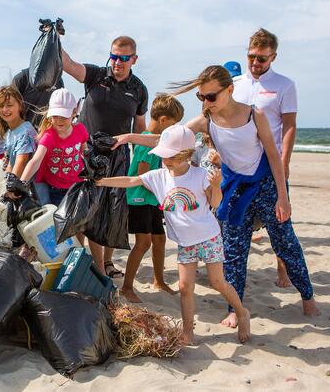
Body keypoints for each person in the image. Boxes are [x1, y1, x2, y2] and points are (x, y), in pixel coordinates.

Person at [115, 65, 319, 328]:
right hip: (234, 187)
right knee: (233, 250)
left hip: (266, 183)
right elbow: (167, 140)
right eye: (201, 97)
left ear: (230, 90)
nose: (206, 102)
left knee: (285, 243)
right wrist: (127, 137)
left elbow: (273, 156)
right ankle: (235, 310)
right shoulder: (205, 122)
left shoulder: (254, 115)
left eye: (211, 96)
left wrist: (283, 196)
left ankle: (308, 298)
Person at [97, 125, 251, 345]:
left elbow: (216, 204)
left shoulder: (200, 175)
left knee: (217, 282)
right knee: (184, 287)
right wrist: (101, 182)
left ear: (186, 155)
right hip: (185, 243)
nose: (165, 160)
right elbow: (131, 181)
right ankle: (188, 331)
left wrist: (217, 187)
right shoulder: (158, 176)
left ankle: (241, 312)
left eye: (170, 156)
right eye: (163, 155)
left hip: (208, 236)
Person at [61, 35, 148, 279]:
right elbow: (67, 64)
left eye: (123, 58)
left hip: (118, 154)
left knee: (112, 211)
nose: (117, 62)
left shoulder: (139, 89)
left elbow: (140, 126)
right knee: (82, 208)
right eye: (114, 56)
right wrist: (52, 38)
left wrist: (142, 156)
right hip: (86, 151)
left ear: (134, 59)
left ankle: (107, 263)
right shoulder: (96, 75)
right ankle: (82, 259)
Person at [233, 29, 297, 288]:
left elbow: (289, 126)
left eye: (262, 58)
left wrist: (285, 163)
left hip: (271, 165)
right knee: (238, 226)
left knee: (279, 224)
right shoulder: (236, 85)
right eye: (252, 57)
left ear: (273, 57)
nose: (255, 63)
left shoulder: (284, 85)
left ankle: (282, 269)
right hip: (239, 168)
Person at [122, 93, 183, 302]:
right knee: (143, 242)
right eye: (173, 125)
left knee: (160, 239)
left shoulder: (157, 142)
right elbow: (142, 175)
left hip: (153, 199)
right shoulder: (147, 143)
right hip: (139, 198)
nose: (174, 129)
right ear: (163, 120)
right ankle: (127, 287)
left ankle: (159, 280)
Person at [20, 88, 88, 246]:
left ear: (74, 112)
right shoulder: (49, 135)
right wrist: (21, 183)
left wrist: (92, 164)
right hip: (55, 188)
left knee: (78, 226)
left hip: (75, 188)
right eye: (55, 115)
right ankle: (60, 258)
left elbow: (85, 151)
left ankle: (77, 254)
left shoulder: (80, 130)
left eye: (64, 115)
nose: (59, 120)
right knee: (57, 227)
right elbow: (35, 160)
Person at [0, 85, 37, 177]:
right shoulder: (9, 133)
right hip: (17, 183)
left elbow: (21, 163)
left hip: (31, 188)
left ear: (20, 105)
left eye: (9, 105)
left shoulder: (25, 131)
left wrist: (10, 190)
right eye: (1, 106)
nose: (5, 110)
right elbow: (11, 165)